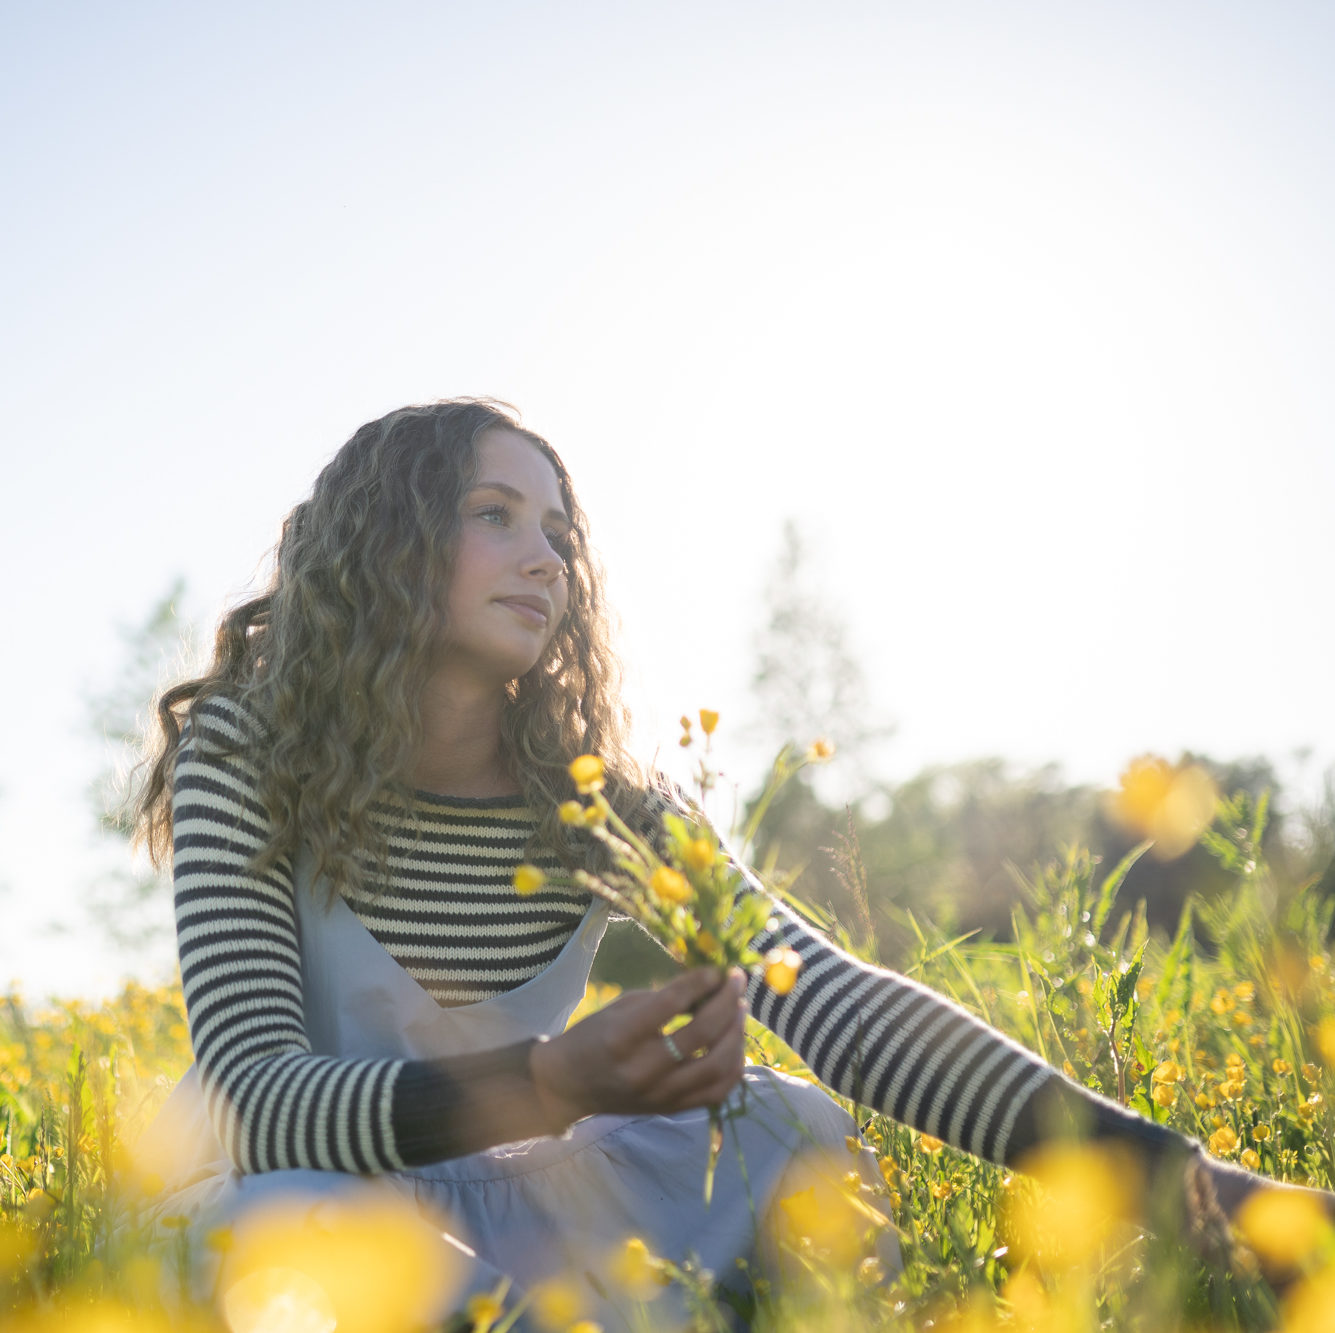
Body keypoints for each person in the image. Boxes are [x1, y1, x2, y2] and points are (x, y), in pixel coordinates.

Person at [133, 399, 1302, 1328]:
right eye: (494, 513)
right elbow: (251, 1099)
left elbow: (830, 998)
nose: (544, 557)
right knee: (291, 1226)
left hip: (525, 1194)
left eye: (558, 531)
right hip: (315, 1199)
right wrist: (549, 1079)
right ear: (383, 541)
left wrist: (1198, 1186)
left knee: (793, 1128)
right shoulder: (246, 747)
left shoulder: (587, 794)